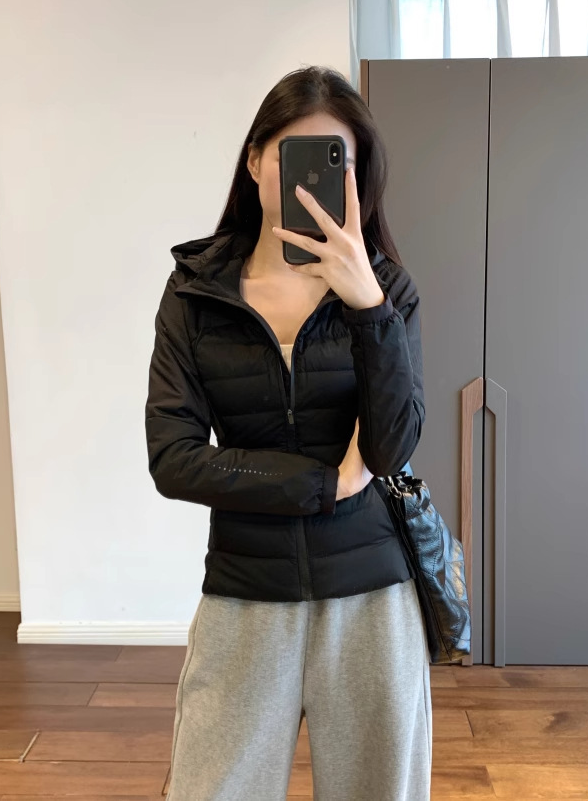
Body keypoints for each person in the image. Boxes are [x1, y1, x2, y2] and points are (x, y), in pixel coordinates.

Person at [145, 65, 431, 801]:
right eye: (294, 156)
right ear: (254, 161)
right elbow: (173, 459)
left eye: (337, 161)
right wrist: (320, 483)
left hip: (371, 599)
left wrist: (367, 307)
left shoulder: (389, 291)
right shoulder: (195, 293)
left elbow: (391, 448)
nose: (313, 181)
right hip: (245, 594)